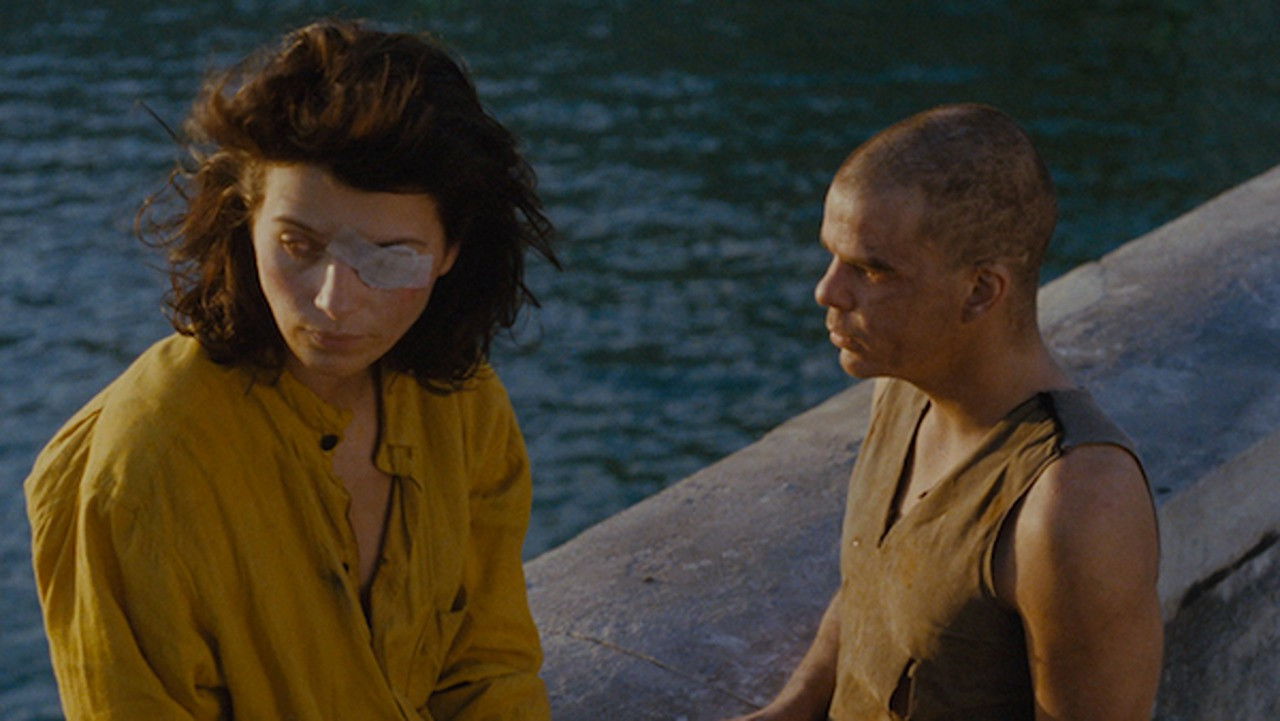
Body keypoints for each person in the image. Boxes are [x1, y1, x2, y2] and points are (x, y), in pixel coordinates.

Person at [25, 19, 556, 721]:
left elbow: (490, 670)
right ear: (246, 219)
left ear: (451, 251)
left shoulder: (464, 405)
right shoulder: (148, 464)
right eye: (298, 245)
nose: (333, 300)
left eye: (388, 256)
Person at [730, 104, 1162, 721]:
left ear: (981, 291)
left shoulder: (1076, 504)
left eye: (871, 270)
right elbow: (873, 589)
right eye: (833, 257)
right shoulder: (902, 390)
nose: (827, 291)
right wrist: (794, 706)